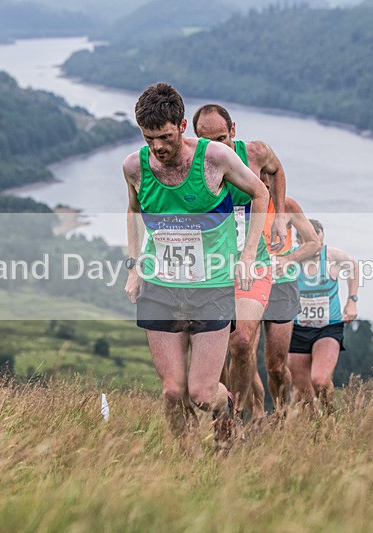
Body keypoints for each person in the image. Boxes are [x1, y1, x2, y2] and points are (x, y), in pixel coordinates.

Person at [122, 83, 269, 446]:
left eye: (165, 136)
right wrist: (134, 266)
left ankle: (229, 410)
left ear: (182, 126)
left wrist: (248, 254)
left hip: (211, 288)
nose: (158, 146)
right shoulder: (133, 167)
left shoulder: (214, 158)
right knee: (172, 392)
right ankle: (185, 464)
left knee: (203, 394)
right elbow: (134, 210)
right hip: (161, 287)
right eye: (149, 137)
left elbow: (260, 193)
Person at [191, 103, 286, 422]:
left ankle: (240, 414)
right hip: (213, 270)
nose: (218, 147)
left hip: (254, 263)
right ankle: (229, 415)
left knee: (243, 342)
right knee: (217, 357)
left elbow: (277, 171)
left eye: (223, 138)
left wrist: (279, 216)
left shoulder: (255, 153)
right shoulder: (192, 163)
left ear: (234, 129)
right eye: (210, 141)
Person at [287, 219, 359, 414]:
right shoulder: (290, 259)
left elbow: (353, 265)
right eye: (311, 245)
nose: (317, 250)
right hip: (298, 329)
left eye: (320, 244)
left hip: (328, 327)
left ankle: (330, 413)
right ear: (299, 242)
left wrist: (352, 300)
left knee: (319, 380)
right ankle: (316, 428)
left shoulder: (332, 257)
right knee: (304, 393)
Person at [260, 181, 319, 414]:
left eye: (269, 175)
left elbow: (313, 243)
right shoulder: (237, 202)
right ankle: (247, 414)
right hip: (246, 284)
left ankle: (280, 410)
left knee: (275, 366)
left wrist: (288, 260)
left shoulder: (287, 205)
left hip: (281, 287)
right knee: (241, 349)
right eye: (258, 173)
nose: (264, 180)